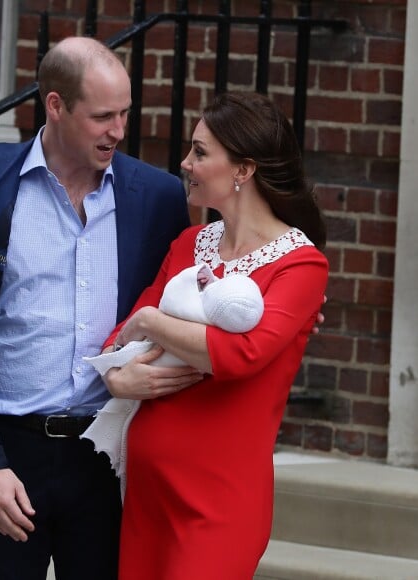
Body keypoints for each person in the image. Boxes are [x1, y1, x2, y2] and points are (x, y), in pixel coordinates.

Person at [0, 36, 200, 580]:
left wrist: (286, 298)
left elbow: (198, 282)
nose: (118, 131)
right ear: (55, 105)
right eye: (102, 116)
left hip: (108, 455)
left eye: (124, 113)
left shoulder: (158, 198)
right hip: (11, 456)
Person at [99, 91, 329, 579]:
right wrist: (117, 378)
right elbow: (117, 337)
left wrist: (152, 323)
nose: (185, 163)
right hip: (147, 492)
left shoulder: (301, 264)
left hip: (218, 504)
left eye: (200, 153)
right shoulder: (188, 244)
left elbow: (241, 354)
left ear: (243, 170)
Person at [81, 264, 265, 499]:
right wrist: (113, 372)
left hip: (215, 473)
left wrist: (147, 321)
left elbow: (241, 355)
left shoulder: (298, 261)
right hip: (140, 465)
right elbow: (131, 318)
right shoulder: (187, 239)